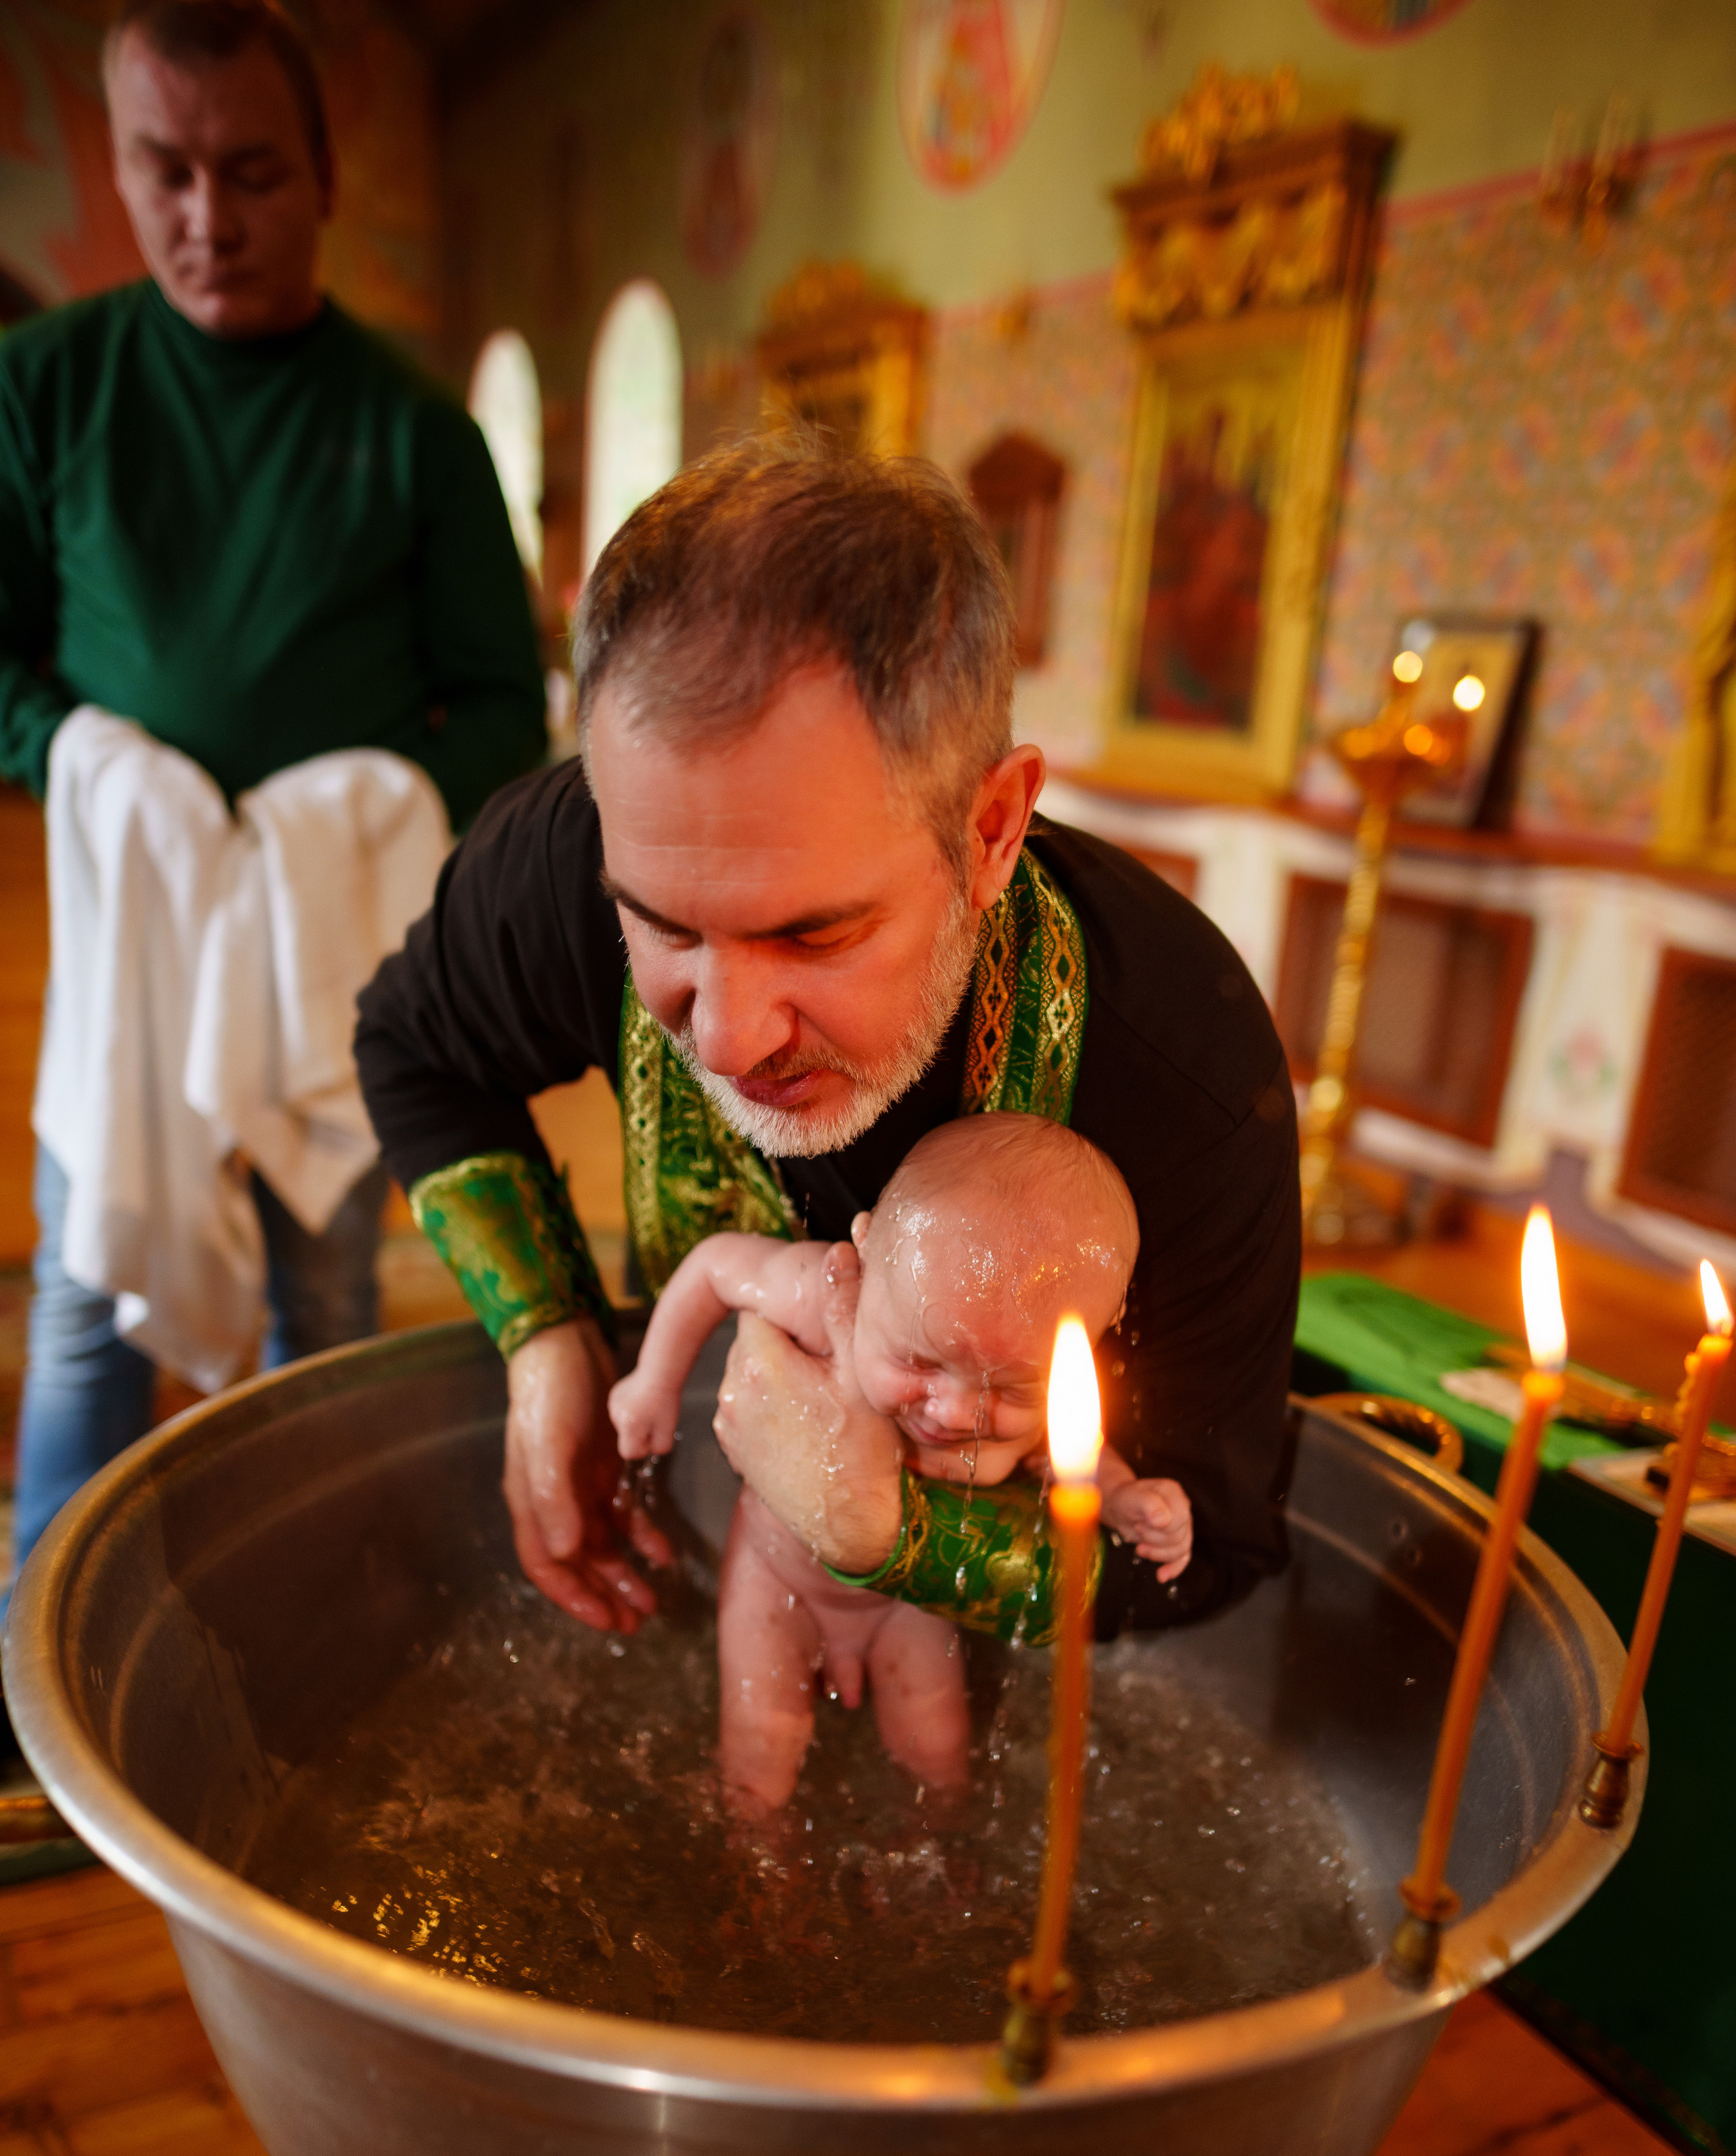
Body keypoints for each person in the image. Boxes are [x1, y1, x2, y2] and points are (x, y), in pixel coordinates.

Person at [355, 438, 1300, 1670]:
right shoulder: (561, 859)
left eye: (814, 933)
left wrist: (892, 1534)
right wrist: (546, 1339)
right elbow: (414, 1048)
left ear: (993, 829)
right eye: (664, 925)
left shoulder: (1182, 1071)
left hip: (1001, 1688)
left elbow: (1209, 1554)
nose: (732, 1035)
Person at [0, 0, 546, 1596]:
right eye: (162, 172)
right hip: (129, 937)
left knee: (326, 1294)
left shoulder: (415, 429)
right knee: (93, 1292)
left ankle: (317, 1609)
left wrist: (357, 812)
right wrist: (90, 761)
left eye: (249, 173)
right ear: (118, 162)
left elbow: (504, 705)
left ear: (319, 174)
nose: (204, 219)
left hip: (337, 947)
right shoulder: (42, 389)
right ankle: (38, 1677)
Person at [608, 1113, 1193, 1812]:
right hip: (774, 1580)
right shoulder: (824, 1294)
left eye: (1005, 1390)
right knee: (758, 1750)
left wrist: (1126, 1499)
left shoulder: (1033, 1413)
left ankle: (937, 1872)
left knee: (937, 1755)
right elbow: (713, 1268)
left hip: (906, 1608)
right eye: (917, 1360)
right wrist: (653, 1381)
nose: (949, 1413)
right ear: (864, 1256)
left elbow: (1078, 1456)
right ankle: (758, 1876)